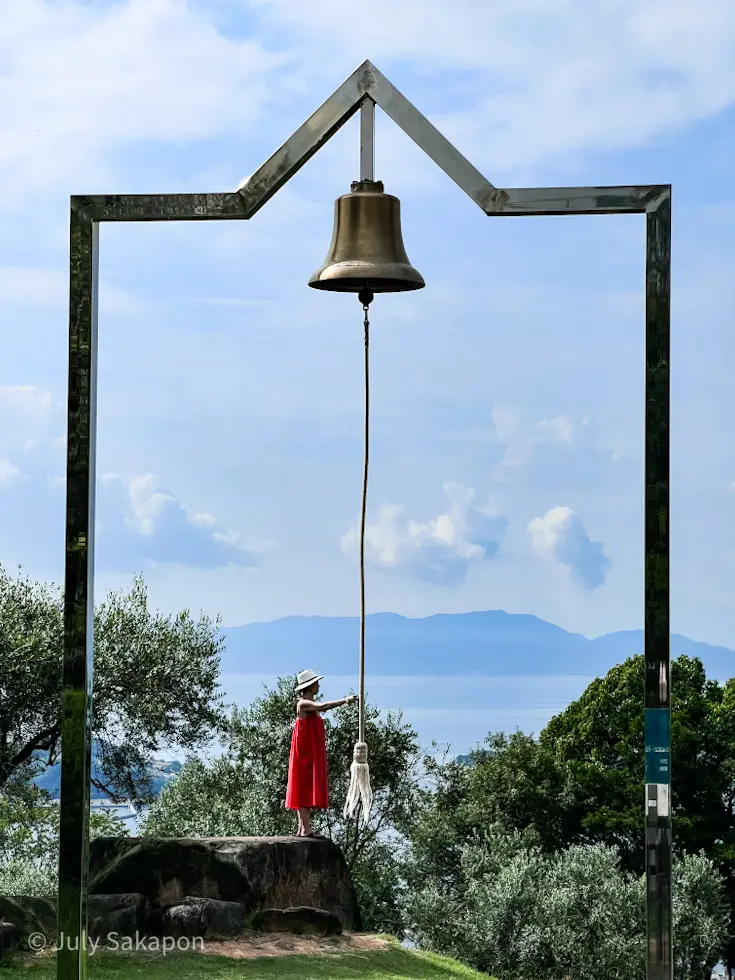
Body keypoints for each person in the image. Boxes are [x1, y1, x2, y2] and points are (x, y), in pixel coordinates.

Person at [285, 669, 358, 838]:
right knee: (302, 784)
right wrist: (346, 700)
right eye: (316, 683)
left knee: (304, 784)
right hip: (303, 752)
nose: (318, 685)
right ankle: (305, 829)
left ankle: (303, 828)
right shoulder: (304, 703)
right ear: (310, 686)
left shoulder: (307, 703)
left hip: (308, 750)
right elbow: (324, 706)